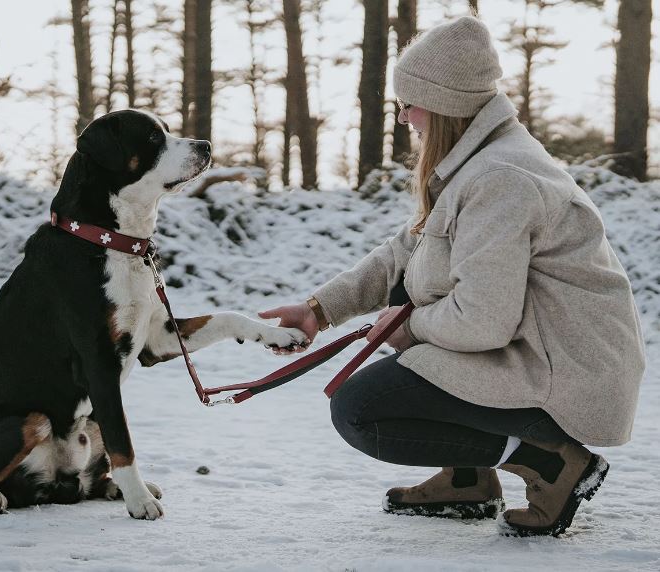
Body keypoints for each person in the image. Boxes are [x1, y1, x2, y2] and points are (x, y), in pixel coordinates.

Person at [259, 16, 645, 537]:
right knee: (413, 294)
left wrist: (409, 329)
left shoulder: (500, 180)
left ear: (443, 106)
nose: (403, 118)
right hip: (541, 354)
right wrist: (318, 310)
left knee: (362, 408)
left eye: (409, 104)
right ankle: (468, 479)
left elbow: (482, 320)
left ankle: (552, 464)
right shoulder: (479, 163)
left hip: (568, 375)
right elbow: (409, 252)